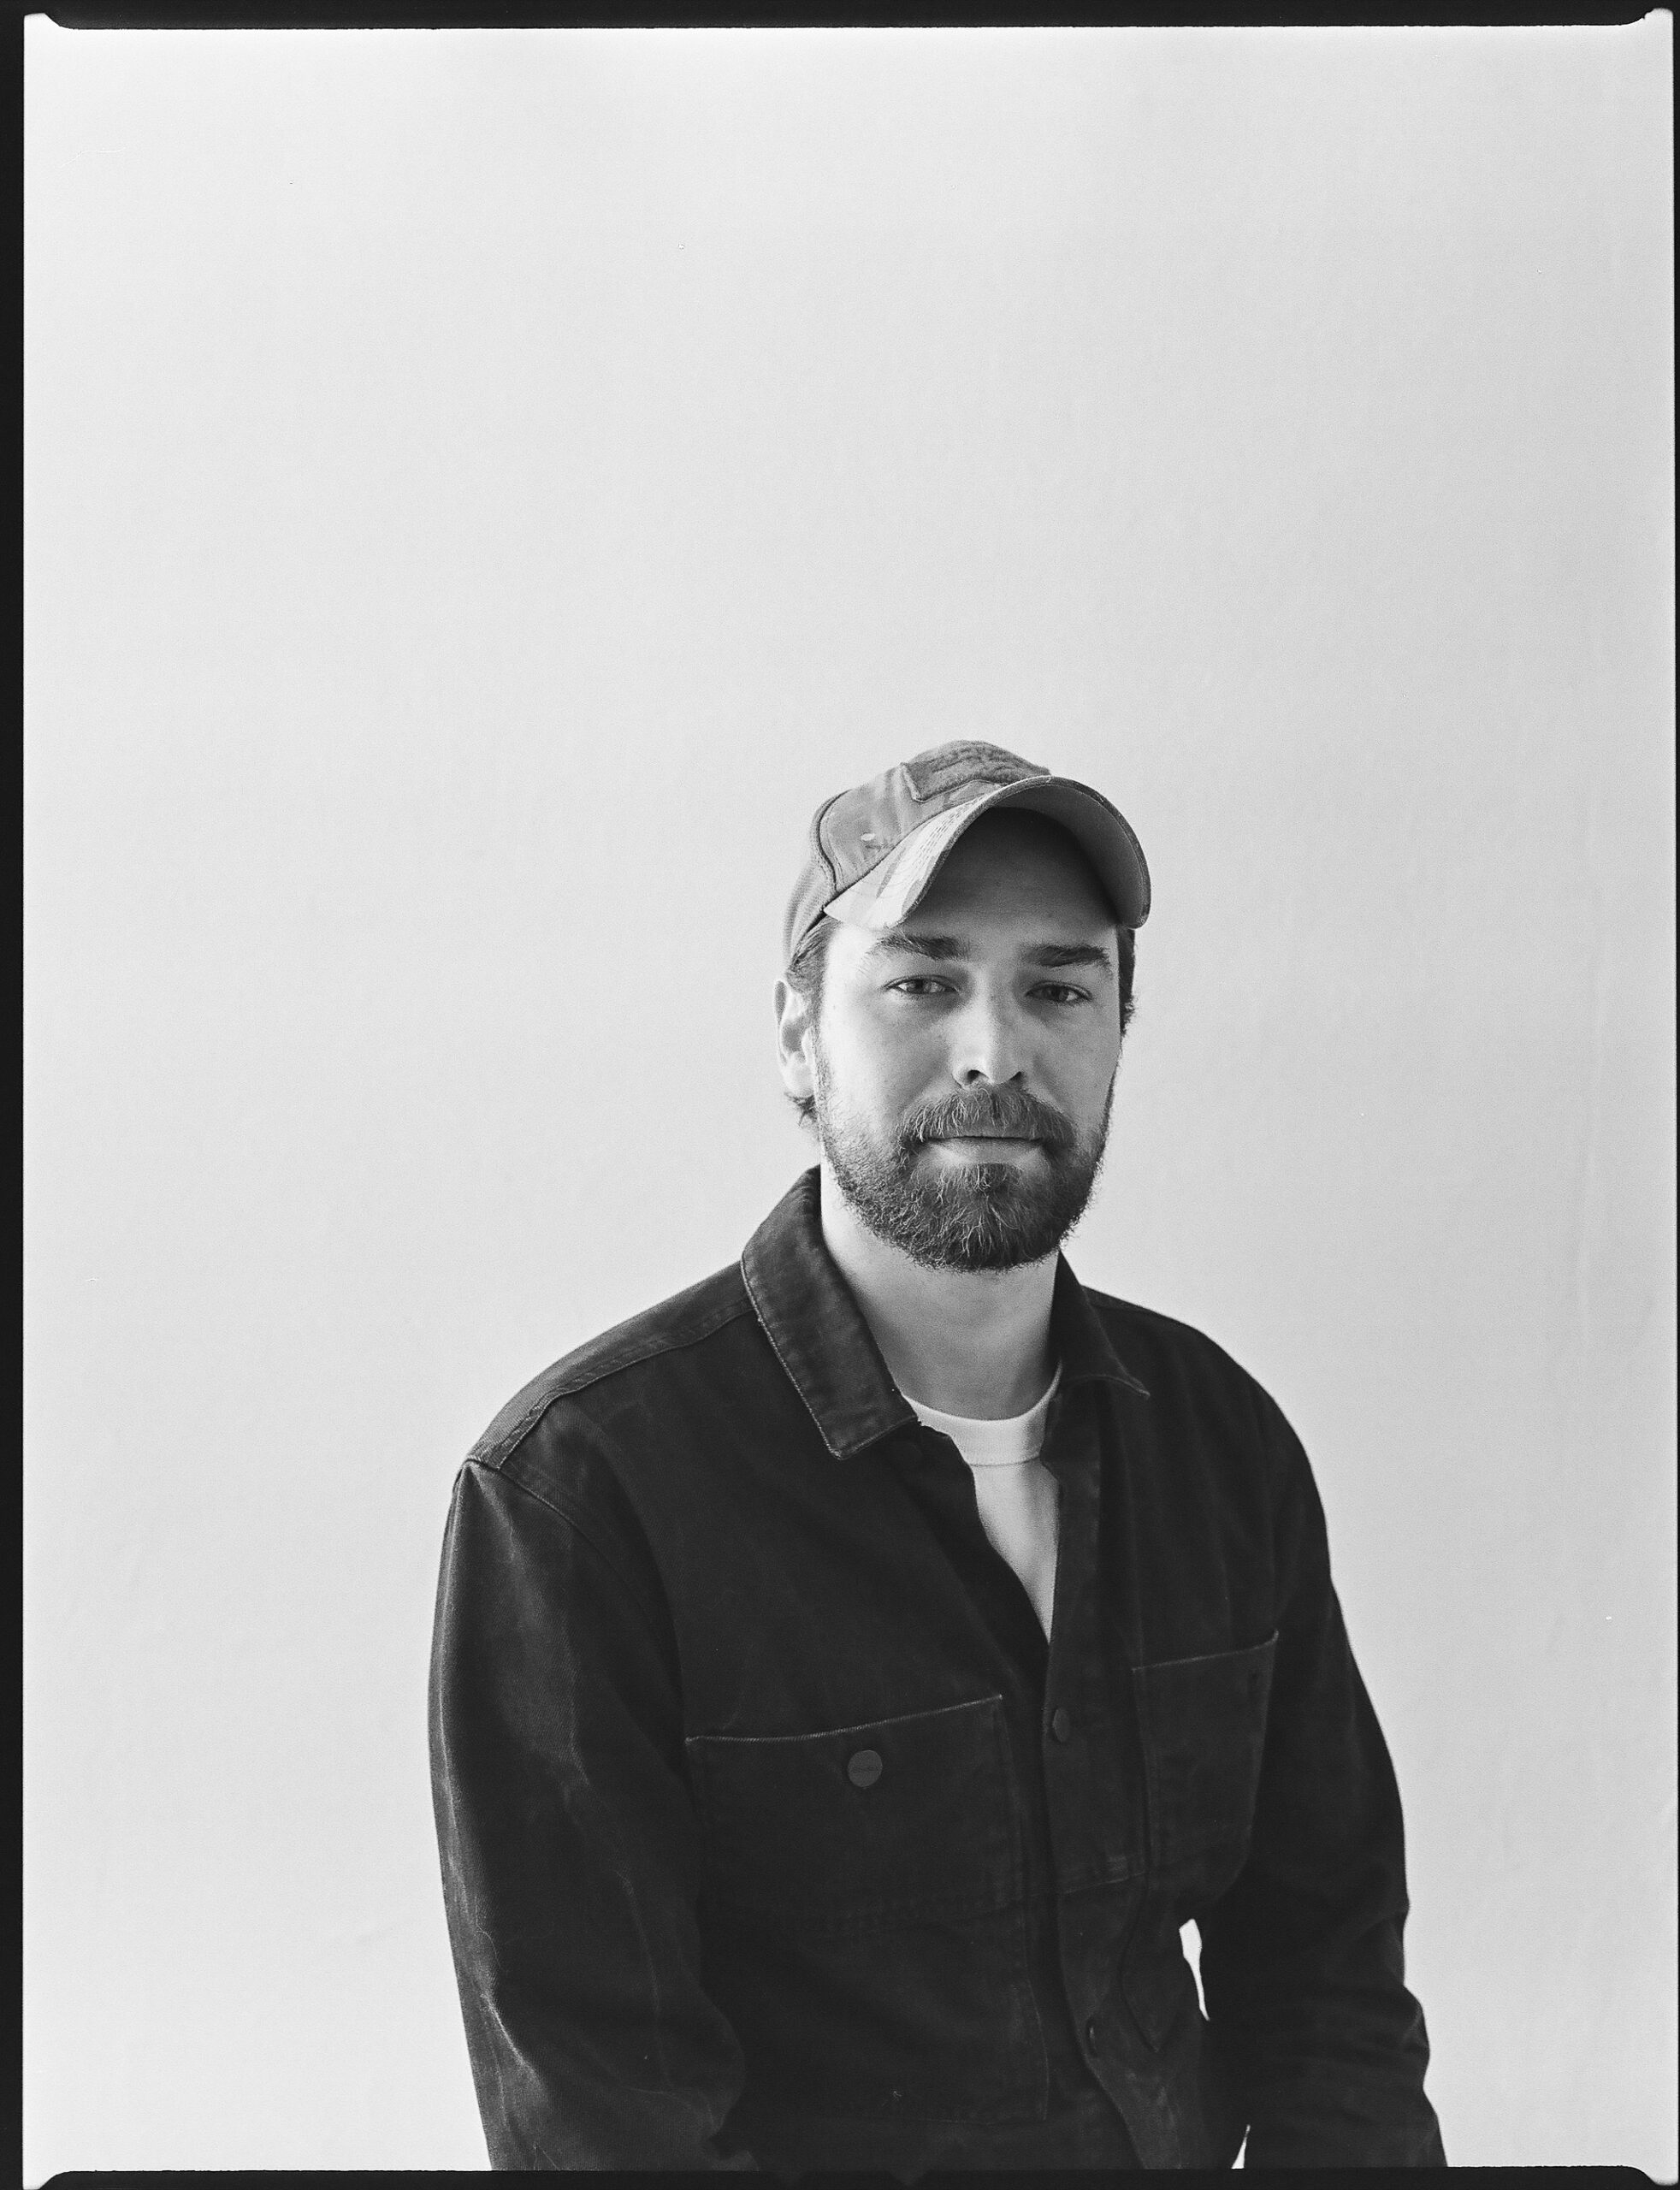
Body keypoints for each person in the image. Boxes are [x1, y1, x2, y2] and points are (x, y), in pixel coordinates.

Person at [428, 739, 1447, 2173]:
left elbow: (1330, 1987)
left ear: (1119, 1029)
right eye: (921, 982)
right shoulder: (583, 1494)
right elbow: (605, 2122)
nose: (995, 1050)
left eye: (1059, 988)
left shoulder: (1219, 1444)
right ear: (798, 1032)